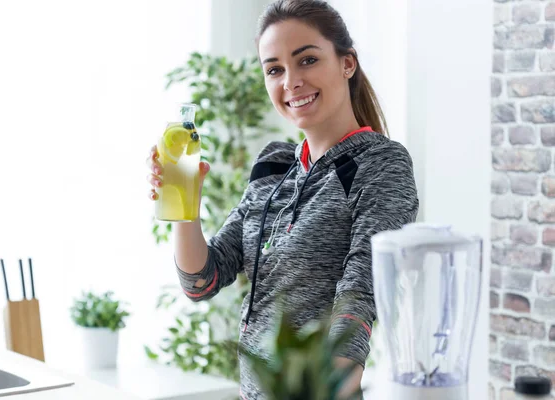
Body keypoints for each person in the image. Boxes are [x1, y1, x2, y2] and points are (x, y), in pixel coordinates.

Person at [147, 0, 419, 398]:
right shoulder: (274, 165)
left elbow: (360, 296)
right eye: (274, 69)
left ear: (347, 63)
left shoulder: (382, 163)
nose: (290, 81)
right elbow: (201, 281)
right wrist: (185, 204)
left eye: (307, 60)